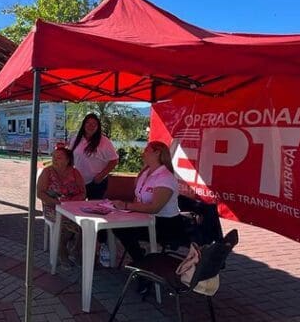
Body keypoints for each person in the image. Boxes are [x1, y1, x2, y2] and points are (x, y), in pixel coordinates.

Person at [112, 141, 189, 266]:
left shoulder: (166, 177)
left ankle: (141, 263)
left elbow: (154, 208)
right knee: (117, 225)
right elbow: (138, 198)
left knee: (123, 230)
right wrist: (128, 211)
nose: (143, 153)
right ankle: (141, 260)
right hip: (146, 219)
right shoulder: (146, 172)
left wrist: (126, 206)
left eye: (147, 150)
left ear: (157, 153)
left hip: (165, 224)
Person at [70, 114, 119, 266]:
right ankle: (80, 242)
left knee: (97, 216)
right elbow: (71, 157)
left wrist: (102, 175)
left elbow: (114, 160)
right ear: (83, 124)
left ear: (98, 126)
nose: (91, 126)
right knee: (76, 213)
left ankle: (102, 245)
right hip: (78, 183)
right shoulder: (76, 138)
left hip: (96, 184)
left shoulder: (104, 141)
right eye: (88, 123)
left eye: (94, 124)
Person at [36, 147, 86, 267]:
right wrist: (56, 203)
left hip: (72, 207)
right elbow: (40, 193)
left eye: (59, 157)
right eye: (53, 157)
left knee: (86, 224)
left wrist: (73, 202)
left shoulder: (75, 172)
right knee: (63, 224)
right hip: (53, 207)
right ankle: (62, 253)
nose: (55, 160)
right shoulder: (47, 172)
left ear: (68, 160)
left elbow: (83, 192)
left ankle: (76, 250)